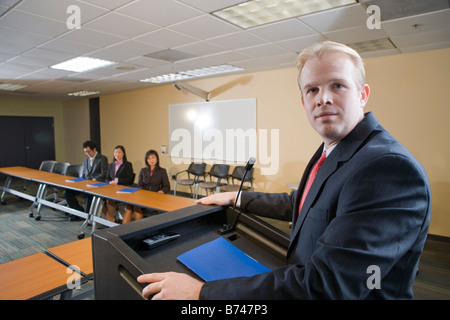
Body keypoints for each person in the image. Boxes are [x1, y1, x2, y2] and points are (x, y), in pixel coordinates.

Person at [137, 41, 431, 300]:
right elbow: (303, 204)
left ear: (363, 94)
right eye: (312, 89)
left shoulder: (386, 168)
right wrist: (238, 198)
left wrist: (201, 293)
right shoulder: (335, 149)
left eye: (337, 85)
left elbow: (327, 285)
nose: (323, 98)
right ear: (304, 102)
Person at [122, 149, 170, 224]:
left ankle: (137, 230)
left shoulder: (162, 171)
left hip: (155, 197)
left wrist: (162, 191)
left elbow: (167, 186)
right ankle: (124, 231)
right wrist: (142, 193)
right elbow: (139, 186)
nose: (151, 160)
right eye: (149, 158)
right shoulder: (143, 170)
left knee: (135, 206)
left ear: (157, 159)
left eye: (153, 157)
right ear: (146, 160)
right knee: (130, 205)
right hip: (143, 196)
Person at [64, 140, 108, 220]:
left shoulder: (102, 159)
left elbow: (104, 173)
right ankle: (78, 211)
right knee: (67, 192)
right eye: (85, 152)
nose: (87, 154)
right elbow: (84, 175)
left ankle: (87, 216)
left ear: (94, 149)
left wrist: (95, 179)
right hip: (86, 184)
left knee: (88, 194)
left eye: (89, 151)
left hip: (97, 185)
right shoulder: (85, 160)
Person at [102, 145, 134, 222]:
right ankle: (111, 220)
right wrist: (109, 182)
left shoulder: (128, 165)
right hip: (111, 189)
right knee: (99, 199)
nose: (117, 154)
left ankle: (110, 221)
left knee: (109, 199)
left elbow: (129, 180)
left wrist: (117, 181)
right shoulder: (111, 165)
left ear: (123, 154)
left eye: (120, 152)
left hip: (122, 189)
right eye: (116, 152)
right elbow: (106, 178)